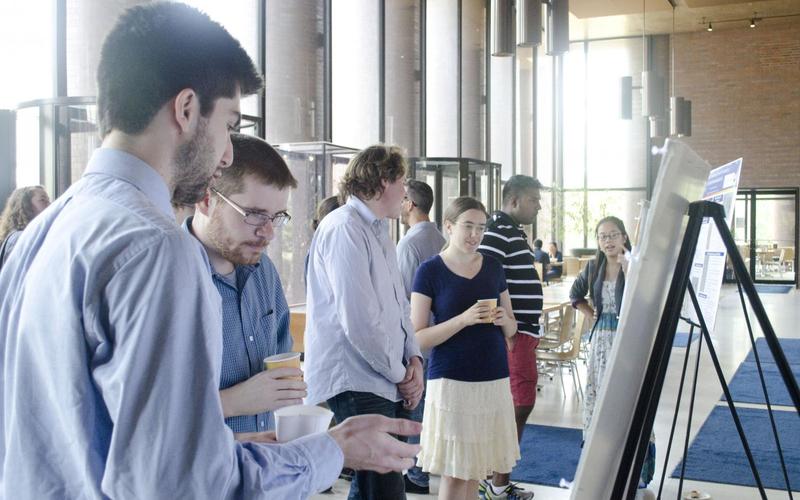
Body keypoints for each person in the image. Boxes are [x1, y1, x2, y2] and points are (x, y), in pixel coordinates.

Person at [0, 4, 420, 498]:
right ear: (185, 109)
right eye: (227, 124)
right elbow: (183, 483)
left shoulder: (40, 234)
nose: (225, 153)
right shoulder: (157, 247)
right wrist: (332, 450)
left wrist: (232, 448)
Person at [305, 144, 425, 500]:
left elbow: (400, 307)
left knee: (378, 484)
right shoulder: (344, 228)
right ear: (382, 181)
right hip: (357, 378)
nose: (405, 192)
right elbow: (360, 323)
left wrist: (414, 358)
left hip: (385, 375)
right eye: (402, 181)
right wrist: (401, 374)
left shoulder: (377, 232)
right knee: (384, 487)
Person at [186, 133, 304, 440]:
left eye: (277, 217)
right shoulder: (168, 279)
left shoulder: (264, 271)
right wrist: (233, 402)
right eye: (254, 215)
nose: (268, 233)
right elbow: (145, 413)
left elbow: (281, 364)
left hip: (264, 471)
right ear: (207, 199)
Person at [411, 196, 520, 500]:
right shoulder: (430, 270)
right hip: (451, 379)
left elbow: (513, 329)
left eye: (481, 228)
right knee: (455, 470)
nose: (475, 235)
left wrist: (503, 319)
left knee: (476, 468)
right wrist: (463, 319)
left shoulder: (494, 267)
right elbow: (417, 337)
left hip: (492, 376)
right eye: (468, 226)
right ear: (448, 226)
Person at [569, 216, 655, 489]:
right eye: (603, 236)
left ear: (624, 237)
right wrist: (591, 314)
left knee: (628, 398)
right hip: (600, 343)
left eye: (613, 235)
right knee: (599, 399)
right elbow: (575, 295)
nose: (608, 241)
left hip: (626, 340)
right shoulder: (594, 266)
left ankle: (636, 470)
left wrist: (631, 268)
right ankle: (600, 465)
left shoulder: (635, 264)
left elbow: (643, 299)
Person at [477, 174, 544, 500]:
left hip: (522, 335)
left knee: (514, 406)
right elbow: (484, 277)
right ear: (514, 201)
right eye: (534, 200)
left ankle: (494, 479)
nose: (539, 207)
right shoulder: (498, 230)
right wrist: (504, 329)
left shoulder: (511, 231)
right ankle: (497, 484)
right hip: (513, 337)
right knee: (520, 405)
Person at [396, 178, 445, 494]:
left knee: (413, 403)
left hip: (416, 336)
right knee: (429, 406)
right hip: (440, 335)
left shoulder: (409, 244)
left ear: (410, 204)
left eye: (401, 200)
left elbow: (400, 296)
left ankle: (416, 473)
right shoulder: (442, 239)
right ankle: (424, 468)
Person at [0, 185, 50, 266]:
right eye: (43, 200)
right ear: (25, 206)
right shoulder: (19, 239)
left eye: (48, 200)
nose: (50, 204)